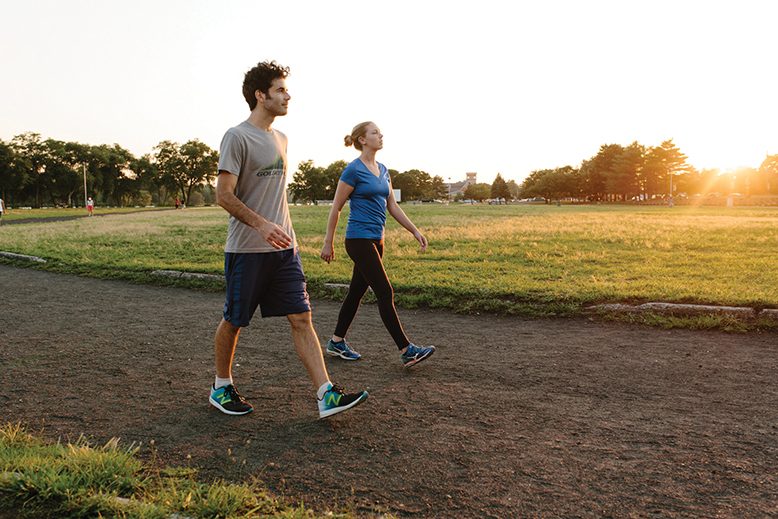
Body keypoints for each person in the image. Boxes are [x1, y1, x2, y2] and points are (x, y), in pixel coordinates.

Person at [211, 60, 368, 419]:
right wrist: (261, 225)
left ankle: (326, 394)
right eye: (280, 90)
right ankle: (221, 386)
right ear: (260, 95)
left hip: (285, 251)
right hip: (247, 249)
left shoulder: (281, 138)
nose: (287, 95)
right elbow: (223, 194)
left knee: (302, 318)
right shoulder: (236, 137)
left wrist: (282, 232)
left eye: (286, 89)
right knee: (234, 320)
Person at [320, 122, 436, 367]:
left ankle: (336, 342)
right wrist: (328, 242)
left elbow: (392, 206)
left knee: (356, 293)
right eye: (374, 133)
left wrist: (414, 230)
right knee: (384, 291)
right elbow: (336, 207)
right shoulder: (353, 170)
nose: (380, 135)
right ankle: (407, 349)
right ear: (362, 140)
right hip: (358, 239)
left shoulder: (383, 170)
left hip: (376, 239)